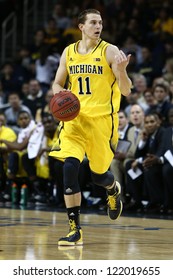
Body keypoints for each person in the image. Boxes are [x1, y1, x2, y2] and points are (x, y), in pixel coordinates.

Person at [49, 9, 132, 246]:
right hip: (74, 120)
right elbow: (57, 83)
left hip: (101, 122)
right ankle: (75, 229)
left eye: (101, 23)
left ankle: (112, 189)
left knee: (98, 176)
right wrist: (60, 95)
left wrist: (123, 70)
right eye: (94, 22)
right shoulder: (69, 52)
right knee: (69, 168)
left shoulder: (110, 51)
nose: (99, 26)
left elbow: (126, 91)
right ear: (81, 26)